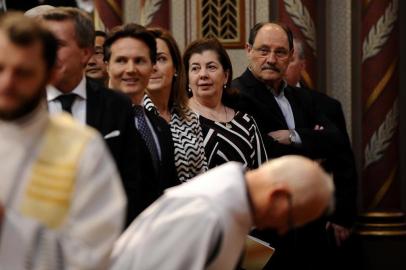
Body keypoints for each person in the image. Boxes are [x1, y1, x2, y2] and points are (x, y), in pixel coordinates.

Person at [0, 12, 125, 269]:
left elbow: (96, 252)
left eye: (23, 73)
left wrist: (10, 228)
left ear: (47, 75)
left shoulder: (82, 147)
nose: (7, 83)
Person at [231, 22, 345, 269]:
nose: (271, 59)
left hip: (309, 228)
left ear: (291, 56)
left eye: (280, 52)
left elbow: (337, 141)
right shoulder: (236, 95)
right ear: (248, 49)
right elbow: (267, 154)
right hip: (263, 229)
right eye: (263, 50)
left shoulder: (301, 96)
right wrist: (312, 152)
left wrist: (293, 135)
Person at [110, 155, 334, 270]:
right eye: (291, 220)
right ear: (277, 195)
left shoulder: (233, 205)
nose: (284, 230)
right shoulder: (206, 211)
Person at [41, 8, 143, 226]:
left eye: (57, 45)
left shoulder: (116, 105)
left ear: (85, 53)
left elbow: (135, 183)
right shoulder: (23, 105)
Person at [286, 38, 358, 266]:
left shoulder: (327, 106)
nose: (280, 62)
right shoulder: (253, 103)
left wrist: (342, 217)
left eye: (288, 57)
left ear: (302, 65)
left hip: (320, 223)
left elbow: (344, 164)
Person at [104, 23, 179, 221]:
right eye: (121, 61)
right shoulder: (92, 118)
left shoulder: (159, 125)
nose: (131, 69)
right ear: (107, 65)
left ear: (152, 65)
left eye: (140, 61)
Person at [184, 37, 268, 169]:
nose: (203, 74)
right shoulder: (177, 119)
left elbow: (262, 174)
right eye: (195, 68)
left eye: (211, 67)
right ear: (187, 78)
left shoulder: (246, 122)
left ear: (226, 76)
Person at [145, 27, 207, 182]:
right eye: (147, 59)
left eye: (161, 59)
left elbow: (202, 174)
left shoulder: (189, 117)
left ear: (176, 68)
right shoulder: (135, 116)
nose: (153, 67)